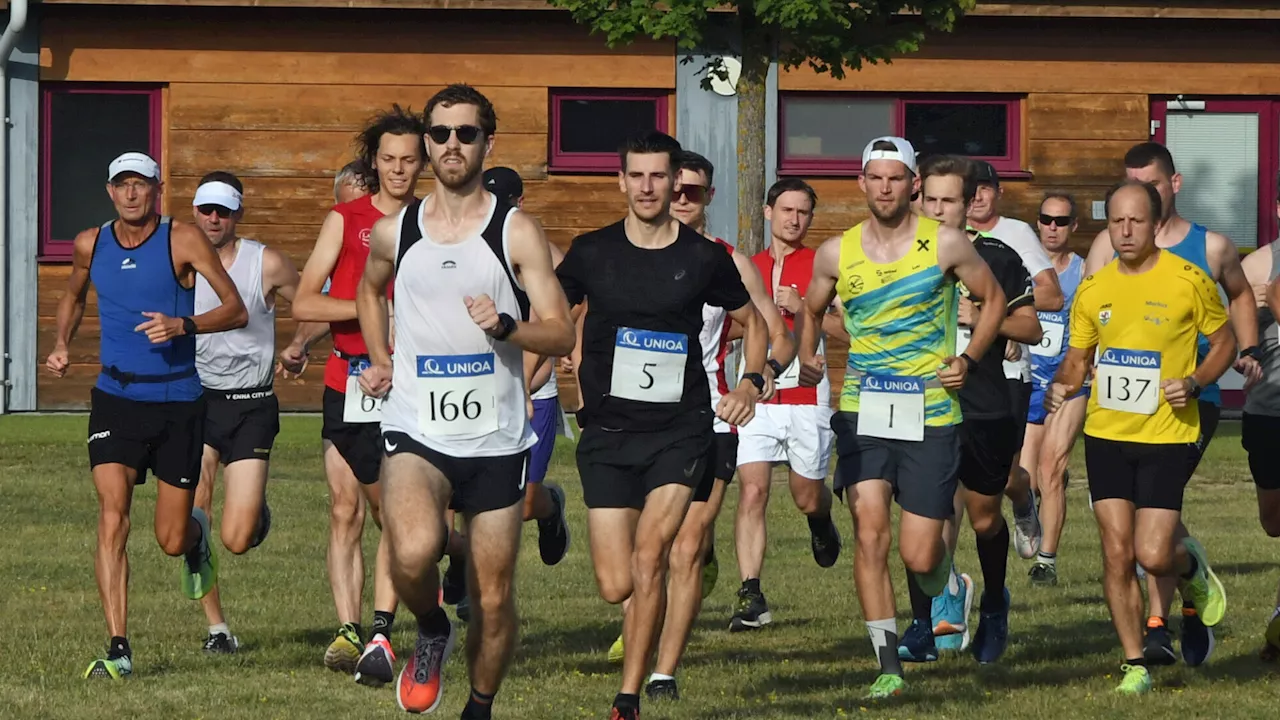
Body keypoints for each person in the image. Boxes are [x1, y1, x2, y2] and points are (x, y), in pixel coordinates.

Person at [355, 83, 575, 718]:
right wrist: (379, 359)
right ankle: (430, 627)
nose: (453, 144)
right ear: (427, 142)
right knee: (412, 549)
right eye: (442, 133)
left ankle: (479, 705)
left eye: (466, 134)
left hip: (497, 437)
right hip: (416, 426)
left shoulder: (517, 231)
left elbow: (559, 330)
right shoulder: (396, 230)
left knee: (495, 595)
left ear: (487, 143)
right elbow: (371, 292)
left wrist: (507, 328)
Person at [556, 130, 768, 720]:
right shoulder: (591, 252)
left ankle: (630, 696)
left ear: (675, 181)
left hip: (681, 430)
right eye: (637, 175)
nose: (648, 187)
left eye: (658, 176)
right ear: (620, 181)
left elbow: (753, 321)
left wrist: (751, 381)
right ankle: (641, 640)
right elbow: (552, 318)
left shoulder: (704, 258)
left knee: (652, 558)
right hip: (607, 433)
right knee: (615, 582)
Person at [798, 137, 1007, 698]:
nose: (885, 188)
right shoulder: (836, 253)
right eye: (876, 178)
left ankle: (949, 586)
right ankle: (888, 664)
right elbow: (812, 310)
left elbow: (994, 298)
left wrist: (968, 358)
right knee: (869, 531)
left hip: (930, 413)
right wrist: (806, 354)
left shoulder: (944, 243)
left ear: (913, 184)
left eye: (896, 178)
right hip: (863, 410)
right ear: (861, 183)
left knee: (920, 552)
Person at [46, 152, 249, 679]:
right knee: (112, 515)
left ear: (158, 189)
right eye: (122, 185)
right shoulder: (91, 243)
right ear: (110, 191)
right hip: (115, 396)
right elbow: (72, 294)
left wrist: (184, 326)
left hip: (178, 401)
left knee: (170, 539)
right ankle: (119, 646)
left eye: (141, 184)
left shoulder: (181, 239)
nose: (132, 194)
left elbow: (236, 308)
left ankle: (196, 536)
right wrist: (61, 341)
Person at [1046, 179, 1232, 694]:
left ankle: (1189, 563)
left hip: (1168, 434)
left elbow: (1224, 341)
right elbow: (1078, 357)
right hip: (1107, 433)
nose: (1126, 231)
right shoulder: (1095, 286)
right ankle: (1134, 662)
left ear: (1155, 225)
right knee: (1116, 551)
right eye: (1117, 222)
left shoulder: (1188, 279)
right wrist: (1063, 386)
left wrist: (1195, 382)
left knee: (1153, 554)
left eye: (1136, 221)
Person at [1083, 142, 1260, 667]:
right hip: (1117, 408)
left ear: (1173, 185)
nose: (1143, 197)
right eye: (1132, 184)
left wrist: (1245, 350)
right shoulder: (1106, 244)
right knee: (1139, 526)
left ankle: (1159, 620)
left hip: (1190, 400)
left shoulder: (1210, 247)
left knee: (1153, 523)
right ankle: (1176, 605)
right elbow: (1088, 316)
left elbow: (1241, 296)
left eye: (1153, 185)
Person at [641, 150, 795, 699]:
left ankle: (662, 672)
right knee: (643, 551)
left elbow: (777, 332)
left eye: (694, 192)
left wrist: (755, 380)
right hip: (638, 420)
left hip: (709, 415)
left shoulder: (727, 259)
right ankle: (648, 613)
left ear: (709, 196)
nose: (682, 200)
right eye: (674, 189)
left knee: (682, 546)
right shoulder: (630, 251)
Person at [292, 105, 426, 682]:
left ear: (424, 162)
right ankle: (352, 630)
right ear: (374, 161)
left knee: (392, 511)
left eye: (408, 160)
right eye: (389, 159)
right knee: (345, 508)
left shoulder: (437, 221)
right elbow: (302, 302)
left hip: (412, 383)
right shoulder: (345, 220)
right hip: (347, 380)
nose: (398, 170)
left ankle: (383, 629)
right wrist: (370, 309)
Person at [898, 155, 1040, 665]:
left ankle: (995, 608)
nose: (938, 210)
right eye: (929, 199)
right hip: (919, 405)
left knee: (983, 520)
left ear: (969, 204)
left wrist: (984, 317)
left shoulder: (996, 257)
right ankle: (920, 625)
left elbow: (1033, 329)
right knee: (923, 523)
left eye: (949, 201)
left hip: (982, 408)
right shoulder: (899, 256)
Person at [189, 172, 307, 653]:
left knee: (235, 538)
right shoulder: (181, 263)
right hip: (196, 401)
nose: (213, 219)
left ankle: (255, 513)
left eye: (223, 211)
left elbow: (311, 305)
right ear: (195, 211)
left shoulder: (267, 262)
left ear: (238, 214)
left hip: (252, 404)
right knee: (193, 520)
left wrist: (298, 345)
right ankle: (217, 629)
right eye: (205, 210)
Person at [731, 177, 843, 633]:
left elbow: (849, 331)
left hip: (807, 397)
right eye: (787, 210)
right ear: (767, 213)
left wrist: (805, 309)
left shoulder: (822, 265)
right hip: (758, 395)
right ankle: (751, 594)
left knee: (804, 495)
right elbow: (732, 328)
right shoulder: (746, 266)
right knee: (752, 490)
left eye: (803, 212)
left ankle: (820, 519)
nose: (795, 220)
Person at [968, 161, 1063, 560]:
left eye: (985, 188)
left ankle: (1024, 501)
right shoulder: (943, 236)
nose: (976, 197)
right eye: (969, 189)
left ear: (999, 192)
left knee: (1005, 475)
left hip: (1008, 368)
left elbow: (1052, 296)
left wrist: (996, 318)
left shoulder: (1015, 233)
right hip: (956, 369)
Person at [1022, 193, 1088, 588]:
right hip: (1029, 382)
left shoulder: (1082, 273)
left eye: (1061, 221)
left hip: (1068, 382)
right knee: (1026, 479)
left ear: (1073, 226)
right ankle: (1039, 509)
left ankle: (1047, 560)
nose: (1052, 227)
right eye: (1046, 219)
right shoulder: (1023, 266)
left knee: (1052, 466)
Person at [1241, 182, 1280, 661]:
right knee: (1273, 522)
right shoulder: (1257, 266)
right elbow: (1234, 340)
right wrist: (1251, 310)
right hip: (1268, 408)